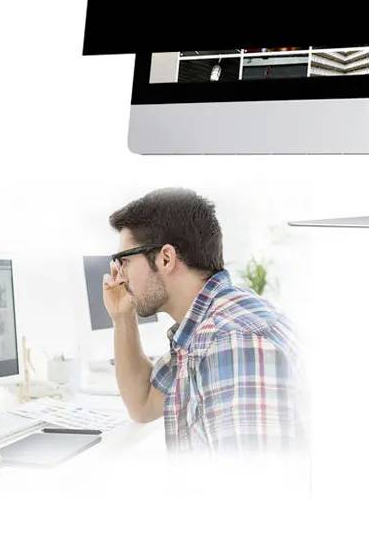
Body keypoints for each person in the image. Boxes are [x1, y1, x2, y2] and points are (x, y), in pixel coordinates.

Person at [102, 187, 304, 454]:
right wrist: (122, 317)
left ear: (165, 258)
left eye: (124, 260)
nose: (119, 274)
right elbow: (142, 403)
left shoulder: (230, 342)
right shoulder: (205, 327)